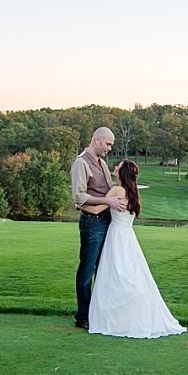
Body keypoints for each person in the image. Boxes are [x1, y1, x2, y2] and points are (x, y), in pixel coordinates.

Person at [88, 160, 186, 339]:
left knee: (116, 274)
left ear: (122, 172)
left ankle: (117, 319)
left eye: (118, 166)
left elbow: (96, 210)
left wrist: (80, 204)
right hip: (128, 237)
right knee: (129, 274)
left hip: (117, 236)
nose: (115, 168)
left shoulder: (117, 191)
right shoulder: (133, 193)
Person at [70, 127, 126, 330]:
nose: (110, 148)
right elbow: (78, 197)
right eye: (108, 144)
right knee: (87, 270)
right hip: (91, 223)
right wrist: (107, 201)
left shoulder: (102, 163)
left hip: (106, 221)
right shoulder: (81, 163)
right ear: (97, 141)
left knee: (103, 269)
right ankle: (83, 316)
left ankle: (98, 313)